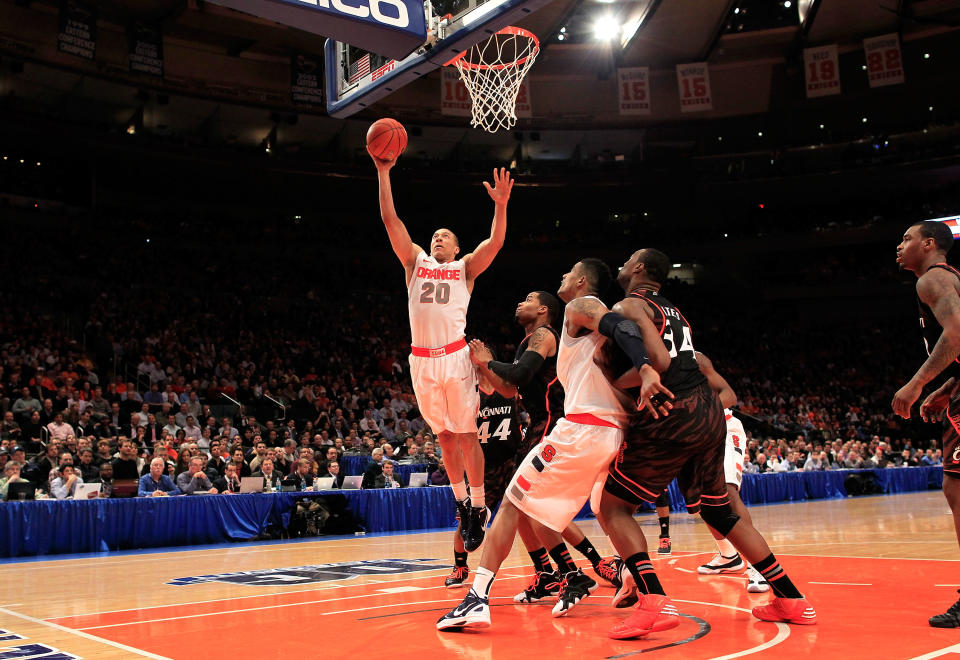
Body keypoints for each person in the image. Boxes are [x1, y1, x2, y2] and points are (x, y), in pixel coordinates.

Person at [592, 249, 815, 639]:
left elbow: (658, 362)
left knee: (613, 507)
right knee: (721, 512)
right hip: (709, 412)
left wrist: (611, 375)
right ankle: (791, 599)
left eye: (628, 260)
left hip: (673, 411)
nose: (622, 265)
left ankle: (653, 602)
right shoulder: (674, 310)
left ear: (640, 269)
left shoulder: (629, 304)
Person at [437, 258, 670, 630]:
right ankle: (632, 579)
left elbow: (621, 326)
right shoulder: (592, 332)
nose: (562, 276)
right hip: (608, 431)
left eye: (567, 273)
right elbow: (512, 387)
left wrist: (645, 367)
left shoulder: (580, 309)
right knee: (603, 511)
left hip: (578, 428)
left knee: (514, 503)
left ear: (580, 282)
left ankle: (477, 598)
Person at [371, 145, 513, 553]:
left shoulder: (464, 268)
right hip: (421, 361)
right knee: (445, 438)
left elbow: (495, 243)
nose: (438, 237)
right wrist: (384, 172)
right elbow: (390, 220)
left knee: (467, 434)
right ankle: (462, 504)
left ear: (454, 248)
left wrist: (500, 206)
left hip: (454, 357)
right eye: (435, 234)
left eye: (445, 236)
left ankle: (481, 505)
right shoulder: (414, 262)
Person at [467, 292, 612, 599]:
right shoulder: (525, 343)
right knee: (521, 505)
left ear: (544, 310)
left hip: (553, 424)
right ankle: (550, 574)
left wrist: (488, 360)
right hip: (536, 426)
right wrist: (483, 367)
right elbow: (508, 390)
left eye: (529, 298)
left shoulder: (544, 335)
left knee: (531, 503)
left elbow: (519, 374)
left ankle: (579, 570)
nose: (520, 301)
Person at [893, 220, 960, 628]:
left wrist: (918, 383)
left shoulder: (932, 279)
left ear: (929, 244)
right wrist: (951, 385)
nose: (899, 247)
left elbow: (957, 333)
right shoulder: (949, 278)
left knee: (957, 486)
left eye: (907, 239)